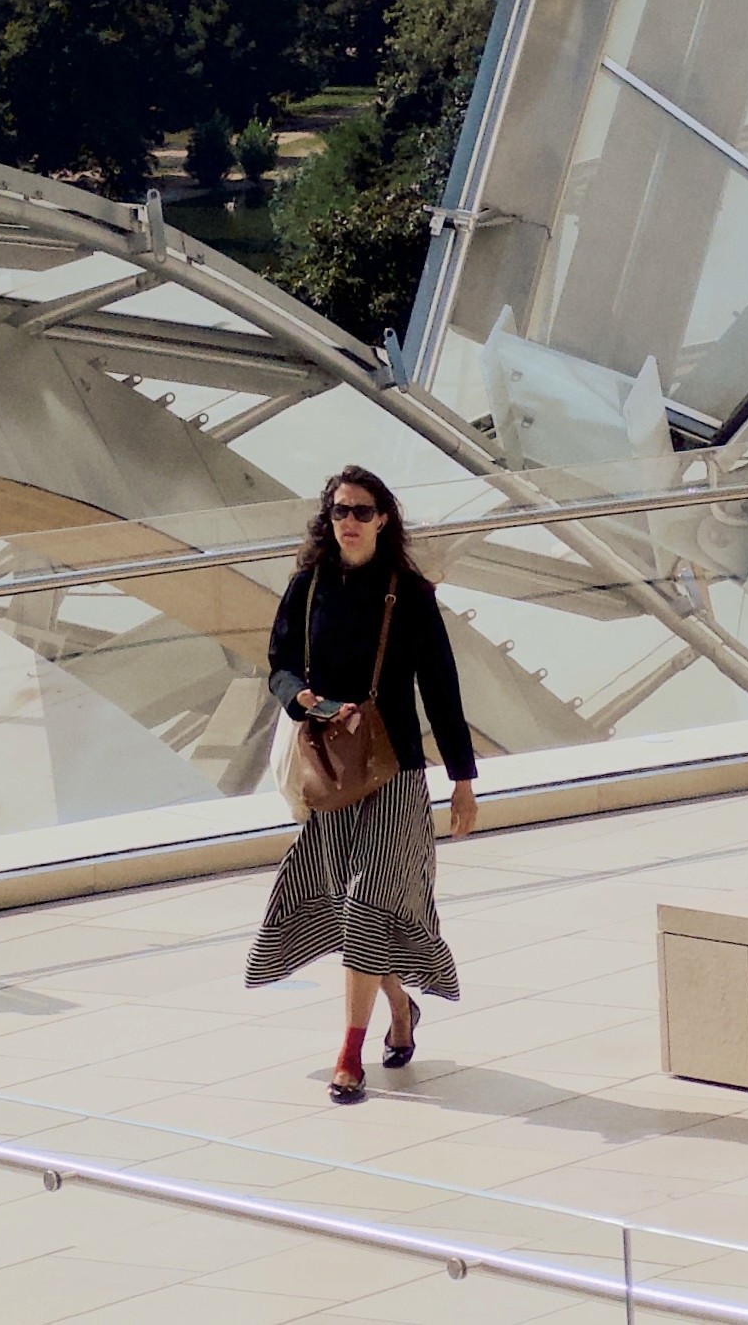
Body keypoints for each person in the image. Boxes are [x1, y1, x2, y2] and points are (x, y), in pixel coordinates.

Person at [246, 465, 478, 1102]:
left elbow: (442, 691)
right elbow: (280, 668)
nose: (350, 522)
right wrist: (303, 701)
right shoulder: (308, 585)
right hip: (332, 774)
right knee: (355, 912)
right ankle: (399, 1009)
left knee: (368, 902)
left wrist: (462, 780)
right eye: (341, 511)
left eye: (363, 511)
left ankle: (349, 1053)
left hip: (396, 772)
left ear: (384, 519)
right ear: (328, 517)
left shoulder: (409, 593)